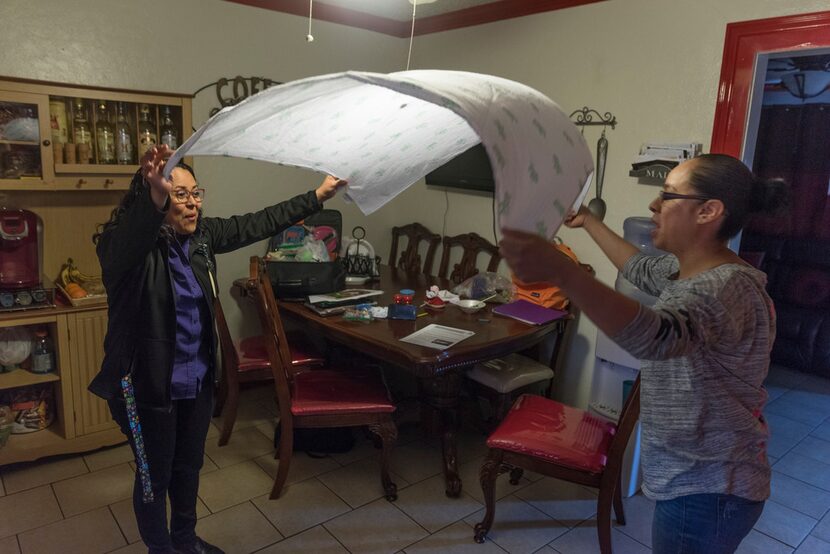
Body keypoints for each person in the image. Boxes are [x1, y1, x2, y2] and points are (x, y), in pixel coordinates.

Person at [499, 154, 788, 554]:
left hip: (709, 486)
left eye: (668, 195)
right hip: (698, 478)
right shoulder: (686, 270)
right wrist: (589, 221)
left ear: (708, 211)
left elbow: (656, 337)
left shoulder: (724, 288)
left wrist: (564, 272)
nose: (654, 205)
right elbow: (639, 268)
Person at [89, 144, 346, 554]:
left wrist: (316, 196)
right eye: (179, 195)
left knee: (188, 467)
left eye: (195, 194)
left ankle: (186, 541)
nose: (192, 205)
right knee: (154, 476)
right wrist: (154, 199)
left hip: (197, 380)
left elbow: (257, 223)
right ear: (154, 198)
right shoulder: (124, 251)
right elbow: (133, 235)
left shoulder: (204, 236)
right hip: (144, 387)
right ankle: (162, 549)